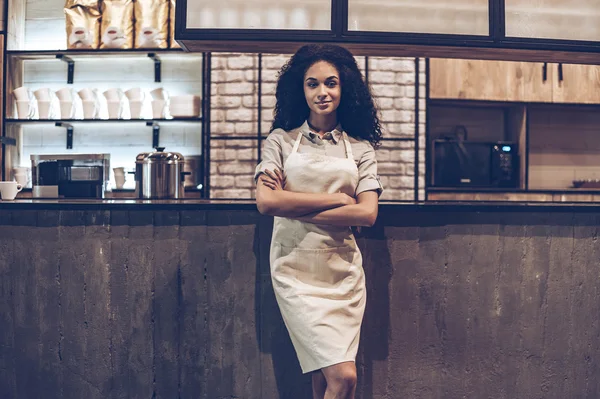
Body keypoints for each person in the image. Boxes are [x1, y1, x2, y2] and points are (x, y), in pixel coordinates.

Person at [255, 43, 383, 399]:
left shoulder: (360, 149)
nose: (322, 92)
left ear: (345, 89)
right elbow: (266, 202)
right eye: (313, 84)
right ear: (301, 88)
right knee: (344, 377)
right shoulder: (280, 141)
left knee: (326, 379)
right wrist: (336, 199)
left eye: (331, 83)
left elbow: (366, 213)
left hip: (342, 273)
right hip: (295, 271)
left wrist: (291, 203)